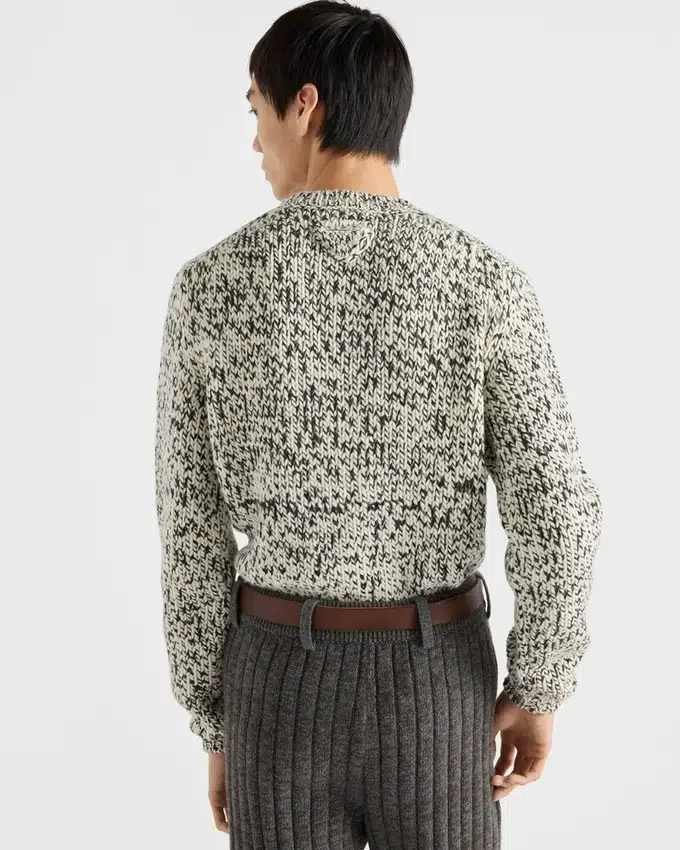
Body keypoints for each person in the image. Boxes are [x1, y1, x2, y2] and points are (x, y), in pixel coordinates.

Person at [154, 2, 603, 846]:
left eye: (256, 110)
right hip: (439, 686)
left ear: (305, 105)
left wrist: (215, 723)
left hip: (275, 689)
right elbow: (560, 508)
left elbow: (190, 531)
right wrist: (539, 686)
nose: (255, 141)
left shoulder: (211, 287)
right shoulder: (485, 282)